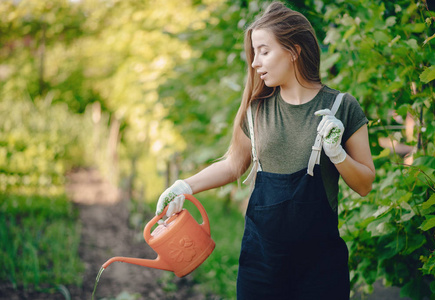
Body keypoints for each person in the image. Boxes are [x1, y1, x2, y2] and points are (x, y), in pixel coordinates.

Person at [155, 2, 375, 299]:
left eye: (264, 51)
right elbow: (234, 164)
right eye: (254, 53)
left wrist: (337, 154)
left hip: (320, 269)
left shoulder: (341, 108)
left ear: (294, 51)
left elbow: (364, 184)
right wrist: (184, 186)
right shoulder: (256, 110)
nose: (255, 63)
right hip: (261, 267)